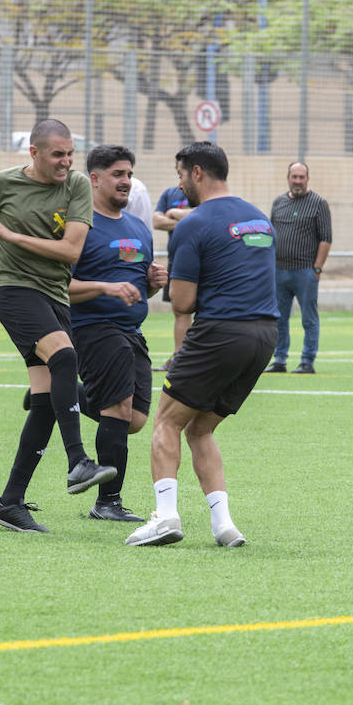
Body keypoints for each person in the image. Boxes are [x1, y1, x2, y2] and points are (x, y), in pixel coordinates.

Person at [0, 118, 117, 534]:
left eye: (70, 154)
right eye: (57, 155)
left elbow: (70, 251)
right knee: (65, 357)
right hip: (15, 291)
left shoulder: (78, 185)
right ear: (34, 153)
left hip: (55, 294)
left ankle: (9, 501)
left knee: (47, 399)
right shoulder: (2, 183)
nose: (66, 161)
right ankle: (78, 462)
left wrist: (8, 235)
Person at [125, 142, 277, 548]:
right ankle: (224, 525)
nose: (178, 186)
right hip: (265, 337)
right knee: (200, 428)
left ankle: (165, 517)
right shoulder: (260, 219)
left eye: (179, 176)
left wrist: (171, 281)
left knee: (166, 422)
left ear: (196, 173)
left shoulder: (192, 224)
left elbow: (183, 302)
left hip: (220, 333)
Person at [68, 144, 168, 523]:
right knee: (117, 411)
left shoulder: (139, 228)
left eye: (129, 174)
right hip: (94, 328)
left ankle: (60, 398)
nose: (126, 181)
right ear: (94, 179)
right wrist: (106, 289)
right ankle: (107, 503)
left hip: (132, 331)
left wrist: (155, 283)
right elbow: (62, 287)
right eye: (117, 174)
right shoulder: (80, 225)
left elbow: (141, 288)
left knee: (136, 420)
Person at [265, 161, 332, 374]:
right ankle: (280, 360)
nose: (298, 181)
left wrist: (317, 269)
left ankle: (307, 361)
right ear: (288, 178)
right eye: (294, 177)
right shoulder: (278, 203)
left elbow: (326, 239)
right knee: (278, 318)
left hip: (305, 272)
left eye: (301, 177)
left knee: (309, 319)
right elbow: (271, 235)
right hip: (279, 271)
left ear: (307, 179)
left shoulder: (319, 203)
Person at [152, 160, 194, 371]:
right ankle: (179, 358)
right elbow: (157, 221)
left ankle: (197, 358)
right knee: (181, 311)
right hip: (176, 261)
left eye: (181, 173)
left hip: (203, 262)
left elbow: (204, 215)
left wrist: (175, 214)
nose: (179, 180)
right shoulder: (170, 193)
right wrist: (188, 219)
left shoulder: (203, 194)